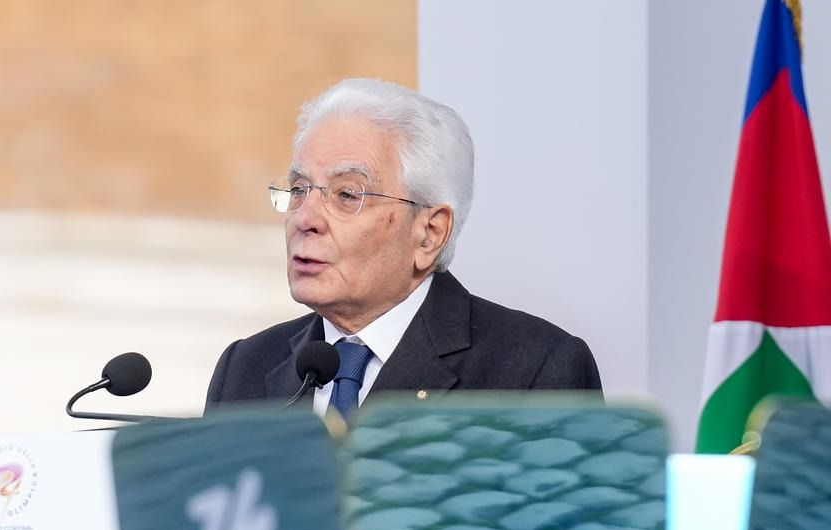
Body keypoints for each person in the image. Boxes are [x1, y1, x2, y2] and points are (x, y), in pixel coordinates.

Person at [205, 78, 601, 418]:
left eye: (346, 195)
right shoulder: (244, 369)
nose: (304, 218)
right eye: (298, 190)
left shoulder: (535, 373)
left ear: (429, 233)